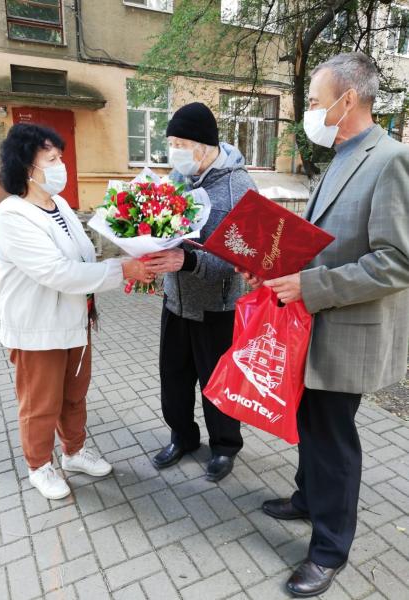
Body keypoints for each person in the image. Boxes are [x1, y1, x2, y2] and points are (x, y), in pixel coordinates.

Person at [240, 53, 409, 597]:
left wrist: (309, 288)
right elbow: (322, 240)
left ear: (348, 101)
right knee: (310, 422)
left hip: (346, 330)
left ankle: (330, 548)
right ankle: (307, 499)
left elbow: (396, 261)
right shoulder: (340, 154)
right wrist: (270, 266)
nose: (310, 111)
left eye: (315, 102)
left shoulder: (391, 160)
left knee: (333, 440)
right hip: (313, 324)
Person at [0, 123, 152, 500]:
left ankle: (74, 452)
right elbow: (56, 272)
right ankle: (39, 465)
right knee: (40, 403)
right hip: (38, 328)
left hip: (75, 321)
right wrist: (122, 270)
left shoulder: (59, 205)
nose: (61, 165)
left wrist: (132, 252)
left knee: (74, 395)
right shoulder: (12, 215)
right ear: (28, 168)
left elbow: (82, 256)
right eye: (51, 159)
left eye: (60, 156)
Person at [145, 102, 257, 482]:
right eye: (171, 141)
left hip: (218, 307)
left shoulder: (239, 187)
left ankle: (225, 446)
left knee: (218, 383)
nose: (174, 149)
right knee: (173, 377)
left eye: (180, 142)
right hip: (175, 301)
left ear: (205, 145)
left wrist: (189, 262)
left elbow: (246, 255)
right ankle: (183, 437)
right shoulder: (177, 179)